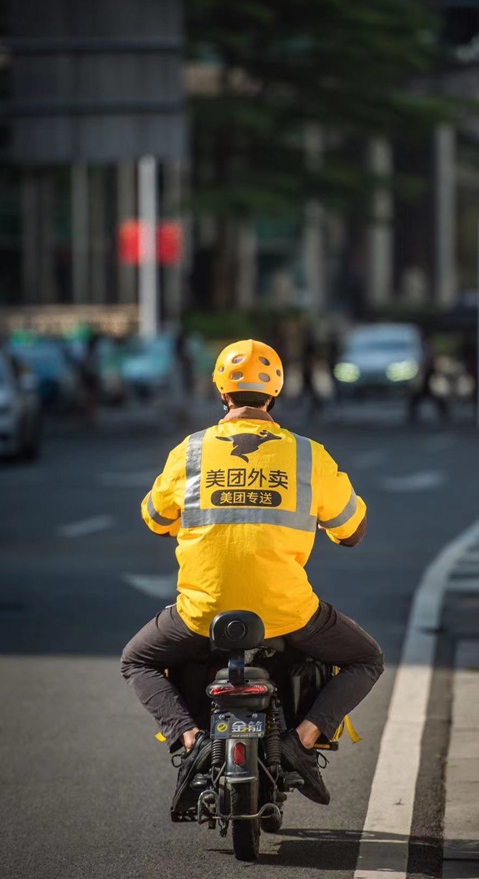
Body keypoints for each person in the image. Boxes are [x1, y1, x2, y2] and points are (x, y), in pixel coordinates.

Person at [121, 338, 383, 817]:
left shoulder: (191, 451)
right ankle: (302, 742)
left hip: (201, 612)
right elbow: (352, 532)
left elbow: (155, 520)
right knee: (367, 658)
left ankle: (191, 737)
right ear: (275, 394)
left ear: (222, 392)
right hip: (288, 612)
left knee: (135, 659)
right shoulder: (308, 455)